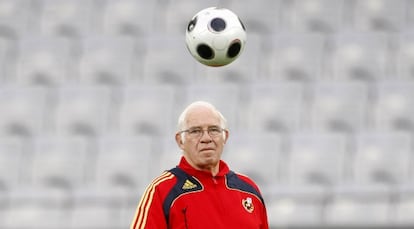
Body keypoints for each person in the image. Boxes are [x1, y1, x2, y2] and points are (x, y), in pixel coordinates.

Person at [130, 101, 269, 229]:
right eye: (195, 131)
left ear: (225, 136)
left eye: (214, 130)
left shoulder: (249, 190)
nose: (206, 138)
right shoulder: (162, 190)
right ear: (180, 140)